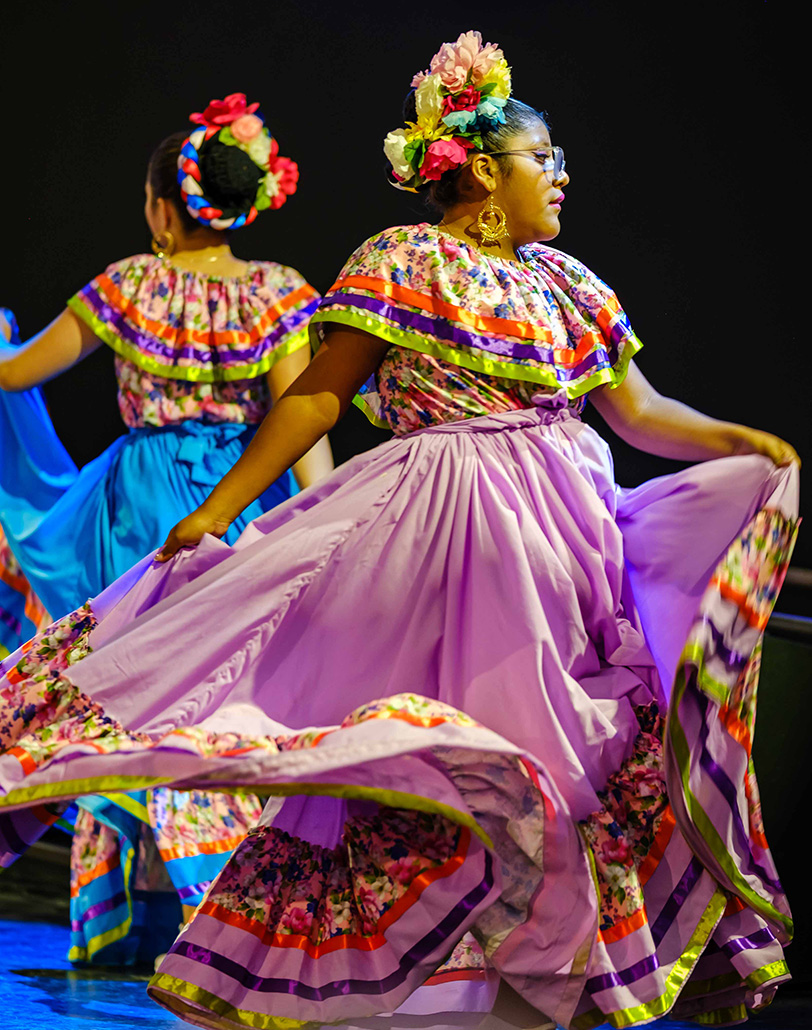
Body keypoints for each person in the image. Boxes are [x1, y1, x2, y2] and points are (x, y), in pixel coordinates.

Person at [0, 32, 800, 1028]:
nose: (559, 175)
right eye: (539, 158)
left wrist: (740, 441)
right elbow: (315, 400)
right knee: (456, 746)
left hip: (565, 542)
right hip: (449, 535)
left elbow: (633, 411)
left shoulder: (566, 282)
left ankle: (525, 968)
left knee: (571, 754)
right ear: (476, 170)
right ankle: (425, 980)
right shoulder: (402, 258)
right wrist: (217, 508)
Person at [0, 92, 332, 966]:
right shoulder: (279, 293)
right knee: (219, 705)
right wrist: (329, 524)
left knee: (125, 701)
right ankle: (224, 919)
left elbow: (16, 372)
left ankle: (118, 922)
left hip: (139, 512)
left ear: (160, 207)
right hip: (231, 508)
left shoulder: (130, 284)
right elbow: (301, 423)